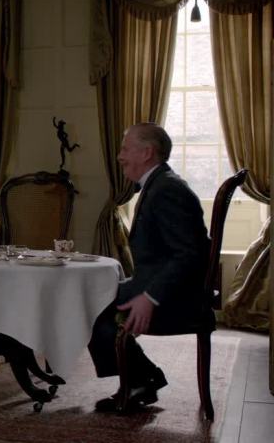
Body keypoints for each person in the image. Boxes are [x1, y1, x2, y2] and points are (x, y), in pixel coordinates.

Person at [88, 123, 209, 412]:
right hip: (164, 286)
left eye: (125, 149)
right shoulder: (161, 184)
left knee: (89, 303)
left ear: (147, 153)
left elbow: (189, 256)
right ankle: (141, 378)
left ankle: (141, 379)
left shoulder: (167, 190)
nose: (120, 156)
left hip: (176, 298)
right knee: (91, 296)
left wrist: (150, 297)